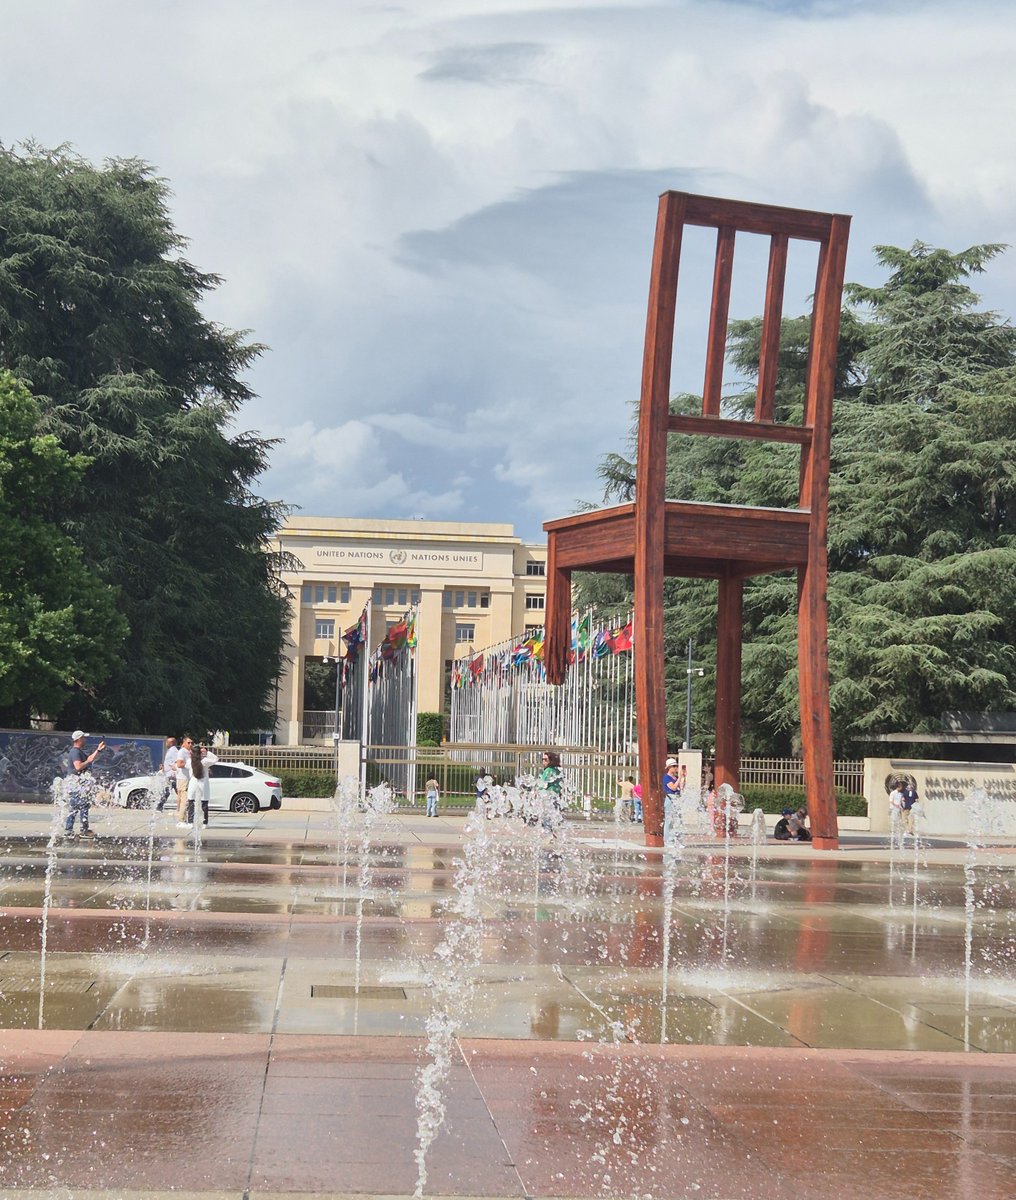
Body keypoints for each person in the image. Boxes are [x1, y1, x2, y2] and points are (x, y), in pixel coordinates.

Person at [64, 730, 105, 839]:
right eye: (83, 738)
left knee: (77, 806)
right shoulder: (75, 752)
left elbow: (89, 759)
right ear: (78, 740)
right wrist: (87, 762)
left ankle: (70, 830)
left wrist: (98, 750)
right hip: (76, 783)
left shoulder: (78, 751)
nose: (85, 740)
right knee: (82, 805)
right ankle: (82, 830)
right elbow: (78, 766)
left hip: (78, 783)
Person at [186, 743, 212, 828]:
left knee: (191, 802)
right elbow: (216, 759)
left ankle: (190, 822)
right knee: (204, 803)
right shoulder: (204, 761)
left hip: (193, 783)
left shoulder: (189, 761)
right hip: (203, 784)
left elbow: (186, 766)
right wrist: (206, 752)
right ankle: (204, 823)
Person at [539, 751, 564, 832]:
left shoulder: (548, 770)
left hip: (548, 796)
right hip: (556, 796)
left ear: (551, 760)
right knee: (554, 817)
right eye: (542, 759)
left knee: (546, 816)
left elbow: (542, 784)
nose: (543, 761)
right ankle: (554, 833)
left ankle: (547, 832)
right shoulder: (557, 770)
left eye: (545, 759)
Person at [175, 735, 194, 826]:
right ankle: (181, 820)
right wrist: (189, 764)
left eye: (192, 743)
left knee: (182, 799)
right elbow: (179, 764)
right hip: (183, 778)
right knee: (185, 799)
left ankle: (182, 817)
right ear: (184, 743)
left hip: (186, 778)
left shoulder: (188, 752)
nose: (190, 744)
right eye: (188, 743)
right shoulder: (182, 752)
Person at [662, 756, 681, 844]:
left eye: (676, 766)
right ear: (669, 767)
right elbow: (673, 787)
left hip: (677, 798)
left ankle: (676, 840)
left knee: (677, 820)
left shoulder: (675, 778)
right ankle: (667, 841)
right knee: (669, 821)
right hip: (670, 798)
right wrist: (679, 778)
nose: (676, 768)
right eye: (674, 766)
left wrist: (683, 778)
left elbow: (681, 787)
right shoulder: (666, 777)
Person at [157, 736, 178, 812]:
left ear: (171, 743)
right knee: (168, 791)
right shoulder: (170, 751)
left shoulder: (174, 751)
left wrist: (174, 772)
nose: (166, 743)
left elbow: (176, 762)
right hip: (169, 774)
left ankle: (159, 806)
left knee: (168, 791)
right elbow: (169, 762)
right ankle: (159, 806)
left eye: (167, 742)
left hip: (172, 775)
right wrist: (164, 768)